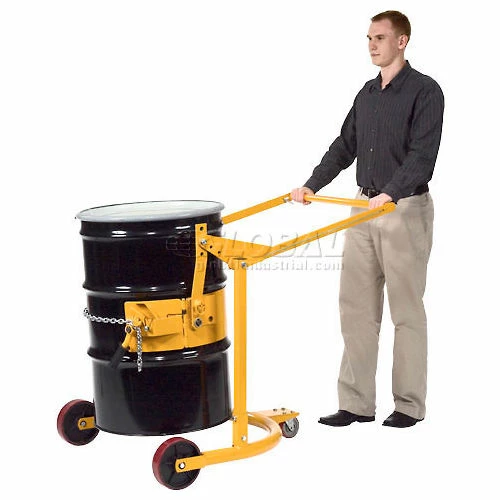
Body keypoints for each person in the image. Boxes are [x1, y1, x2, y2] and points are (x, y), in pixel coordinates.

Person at [291, 10, 444, 428]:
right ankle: (356, 403)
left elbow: (422, 155)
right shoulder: (367, 93)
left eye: (380, 37)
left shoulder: (426, 91)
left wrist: (391, 192)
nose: (372, 45)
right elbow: (345, 145)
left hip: (404, 208)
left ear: (401, 41)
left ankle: (408, 406)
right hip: (363, 207)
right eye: (369, 38)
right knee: (355, 307)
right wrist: (312, 185)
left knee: (406, 311)